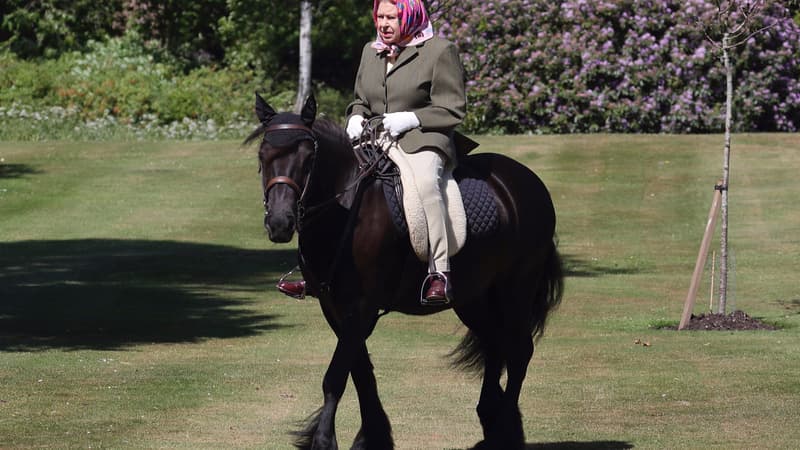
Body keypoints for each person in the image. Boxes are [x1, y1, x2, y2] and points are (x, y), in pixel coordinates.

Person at [278, 0, 467, 304]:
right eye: (380, 16)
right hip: (375, 139)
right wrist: (354, 115)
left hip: (423, 139)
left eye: (391, 17)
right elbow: (360, 99)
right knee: (326, 181)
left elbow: (452, 108)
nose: (384, 23)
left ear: (409, 16)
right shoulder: (371, 50)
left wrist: (412, 118)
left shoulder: (440, 51)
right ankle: (314, 272)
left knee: (426, 186)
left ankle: (439, 272)